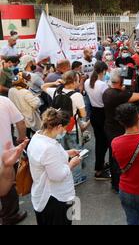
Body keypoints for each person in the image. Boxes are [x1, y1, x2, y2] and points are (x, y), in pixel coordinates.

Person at [28, 108, 82, 225]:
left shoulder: (38, 137)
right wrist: (72, 163)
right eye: (65, 128)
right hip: (55, 198)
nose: (65, 131)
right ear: (58, 127)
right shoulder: (49, 148)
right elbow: (57, 176)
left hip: (42, 195)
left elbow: (45, 160)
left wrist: (67, 152)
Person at [103, 68, 139, 193]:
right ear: (120, 81)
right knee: (119, 157)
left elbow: (122, 93)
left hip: (109, 127)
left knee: (113, 154)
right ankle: (119, 183)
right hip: (118, 130)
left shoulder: (107, 92)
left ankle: (115, 182)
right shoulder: (120, 95)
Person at [42, 71, 87, 186]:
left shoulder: (56, 91)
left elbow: (43, 86)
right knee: (76, 154)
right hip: (72, 128)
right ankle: (76, 178)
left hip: (57, 128)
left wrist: (55, 82)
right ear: (73, 82)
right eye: (77, 80)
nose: (78, 82)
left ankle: (64, 175)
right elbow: (83, 114)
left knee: (62, 154)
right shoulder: (77, 95)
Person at [0, 96, 28, 225]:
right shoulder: (3, 101)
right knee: (9, 184)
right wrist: (22, 138)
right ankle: (10, 215)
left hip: (6, 154)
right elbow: (21, 122)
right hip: (6, 154)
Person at [84, 62, 110, 180]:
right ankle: (99, 169)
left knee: (99, 142)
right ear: (104, 71)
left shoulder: (87, 82)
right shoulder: (102, 85)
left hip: (94, 113)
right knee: (104, 143)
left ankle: (99, 166)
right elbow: (107, 101)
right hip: (103, 114)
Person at [8, 72, 42, 137]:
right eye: (27, 80)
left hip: (18, 119)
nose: (28, 82)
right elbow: (36, 104)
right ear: (23, 81)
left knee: (22, 137)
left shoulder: (11, 90)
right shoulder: (25, 92)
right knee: (31, 137)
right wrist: (36, 97)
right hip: (29, 119)